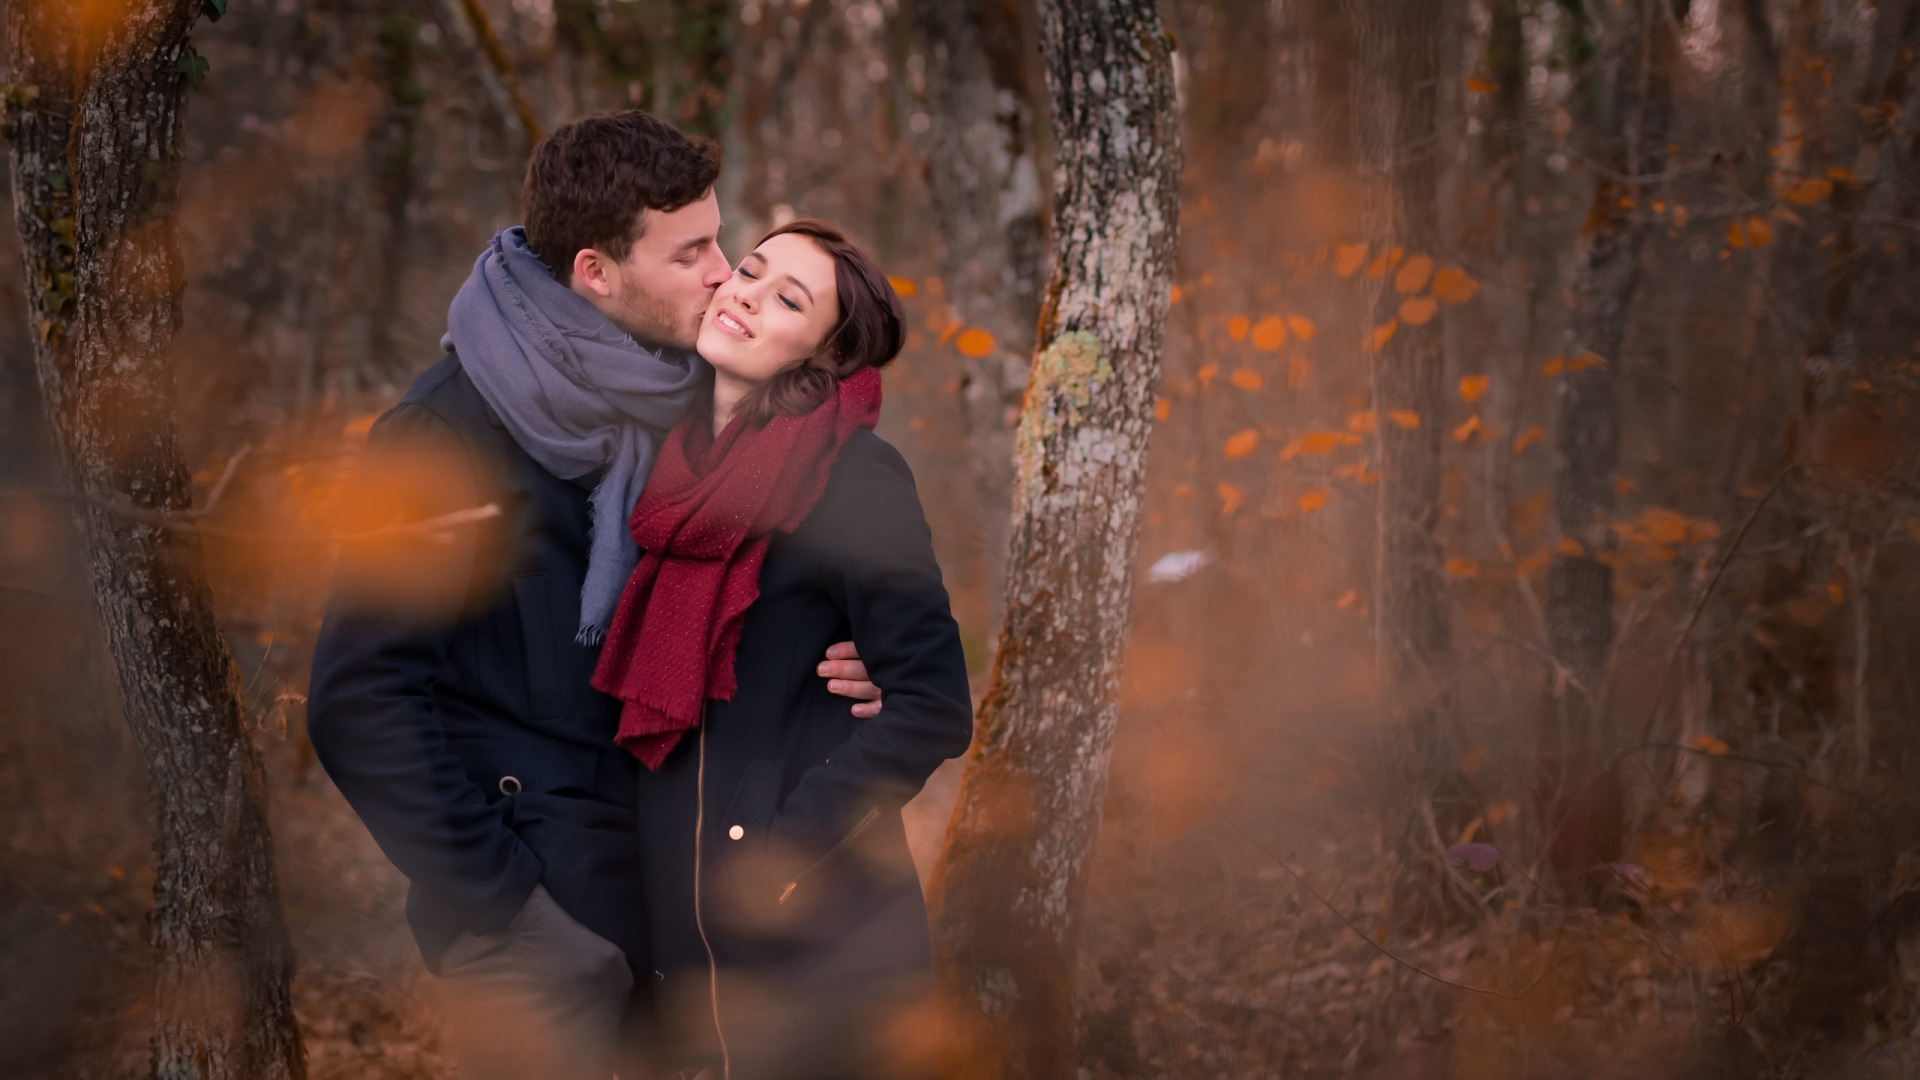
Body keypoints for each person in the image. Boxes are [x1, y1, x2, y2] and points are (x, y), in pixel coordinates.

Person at [305, 111, 884, 1080]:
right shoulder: (442, 436)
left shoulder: (692, 409)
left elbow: (755, 588)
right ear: (595, 273)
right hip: (541, 934)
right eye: (691, 250)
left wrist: (855, 659)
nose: (721, 271)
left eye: (718, 238)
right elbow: (357, 700)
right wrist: (513, 911)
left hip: (668, 909)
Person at [591, 219, 973, 1080]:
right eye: (751, 272)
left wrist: (783, 852)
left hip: (816, 944)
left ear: (826, 356)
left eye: (789, 299)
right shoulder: (657, 472)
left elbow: (931, 706)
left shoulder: (854, 478)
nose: (747, 297)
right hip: (677, 936)